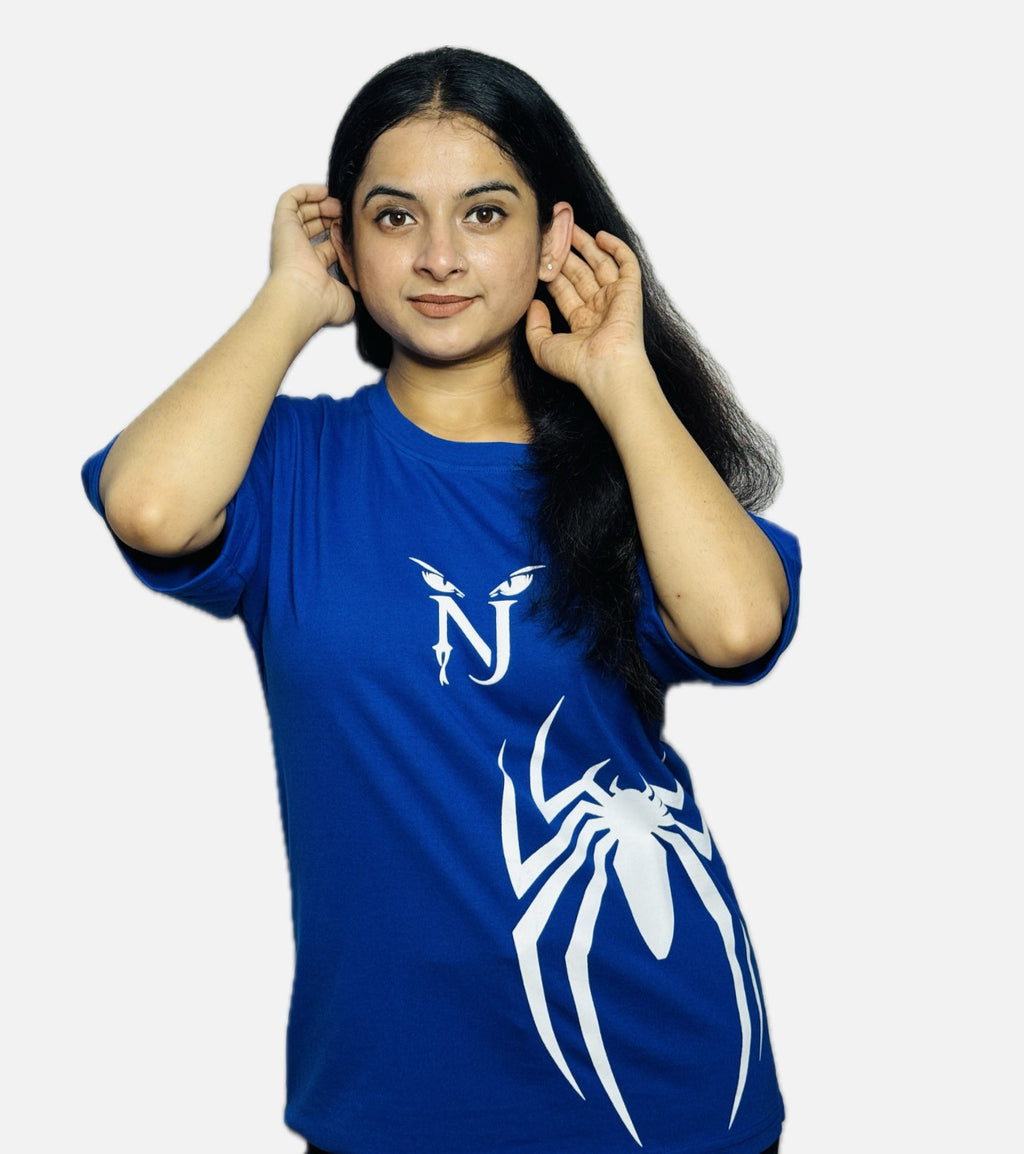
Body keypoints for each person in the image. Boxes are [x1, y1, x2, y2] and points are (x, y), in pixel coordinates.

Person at [82, 46, 800, 1154]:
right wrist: (286, 301)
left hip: (654, 1092)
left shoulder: (635, 474)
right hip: (386, 1094)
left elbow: (737, 623)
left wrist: (617, 373)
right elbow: (150, 505)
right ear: (345, 242)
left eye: (483, 211)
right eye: (393, 216)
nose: (439, 256)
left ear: (552, 233)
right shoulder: (287, 465)